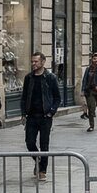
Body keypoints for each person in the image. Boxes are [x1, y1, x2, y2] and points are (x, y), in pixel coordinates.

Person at [20, 52, 60, 182]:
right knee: (29, 142)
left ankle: (43, 170)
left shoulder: (50, 77)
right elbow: (24, 97)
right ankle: (38, 159)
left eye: (36, 61)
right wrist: (23, 113)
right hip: (31, 116)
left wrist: (51, 112)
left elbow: (57, 97)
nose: (33, 64)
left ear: (43, 62)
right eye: (32, 61)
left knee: (44, 144)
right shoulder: (29, 78)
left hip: (45, 116)